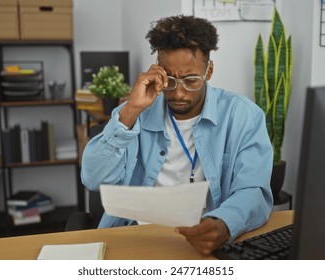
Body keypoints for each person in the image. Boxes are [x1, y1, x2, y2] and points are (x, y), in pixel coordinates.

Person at [81, 15, 273, 255]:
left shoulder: (243, 116)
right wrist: (131, 109)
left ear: (209, 71)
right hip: (137, 236)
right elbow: (92, 178)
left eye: (190, 80)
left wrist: (224, 223)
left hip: (203, 239)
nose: (178, 92)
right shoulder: (135, 111)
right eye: (169, 80)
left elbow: (253, 190)